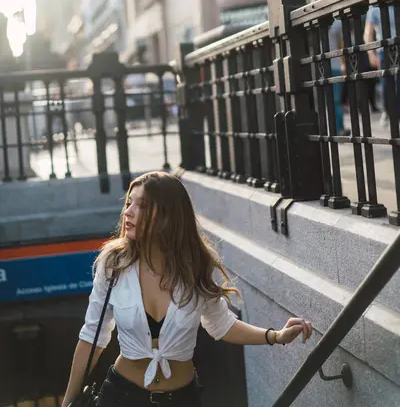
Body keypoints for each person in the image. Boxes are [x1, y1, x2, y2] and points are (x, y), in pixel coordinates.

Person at [62, 171, 313, 407]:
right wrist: (67, 403)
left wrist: (275, 336)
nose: (128, 212)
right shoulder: (114, 263)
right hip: (121, 396)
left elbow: (222, 325)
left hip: (182, 399)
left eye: (142, 206)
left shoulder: (194, 266)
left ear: (168, 215)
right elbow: (92, 337)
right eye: (129, 203)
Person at [310, 0, 350, 136]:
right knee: (319, 100)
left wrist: (344, 62)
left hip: (334, 65)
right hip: (315, 66)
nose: (314, 2)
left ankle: (338, 128)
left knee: (335, 99)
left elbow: (341, 44)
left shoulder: (336, 22)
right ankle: (323, 129)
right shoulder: (309, 23)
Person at [364, 4, 398, 128]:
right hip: (385, 49)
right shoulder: (374, 9)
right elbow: (368, 32)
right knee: (386, 81)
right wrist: (371, 53)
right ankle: (387, 110)